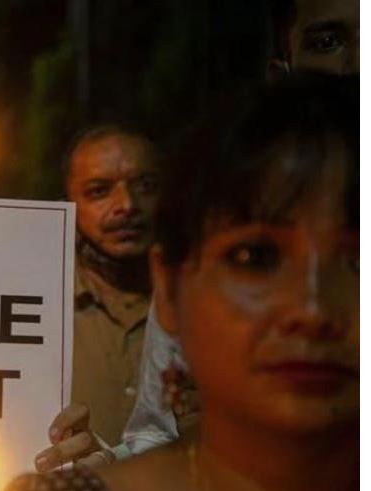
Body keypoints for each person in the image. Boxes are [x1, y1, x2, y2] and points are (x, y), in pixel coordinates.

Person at [6, 72, 358, 491]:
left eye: (360, 261)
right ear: (170, 290)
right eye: (255, 258)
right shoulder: (32, 306)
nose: (313, 310)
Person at [112, 0, 361, 463]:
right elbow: (155, 433)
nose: (358, 66)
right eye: (328, 42)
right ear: (282, 70)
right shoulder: (220, 212)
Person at [32, 125, 161, 472]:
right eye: (100, 191)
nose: (127, 205)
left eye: (145, 186)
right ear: (68, 203)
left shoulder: (208, 305)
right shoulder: (35, 302)